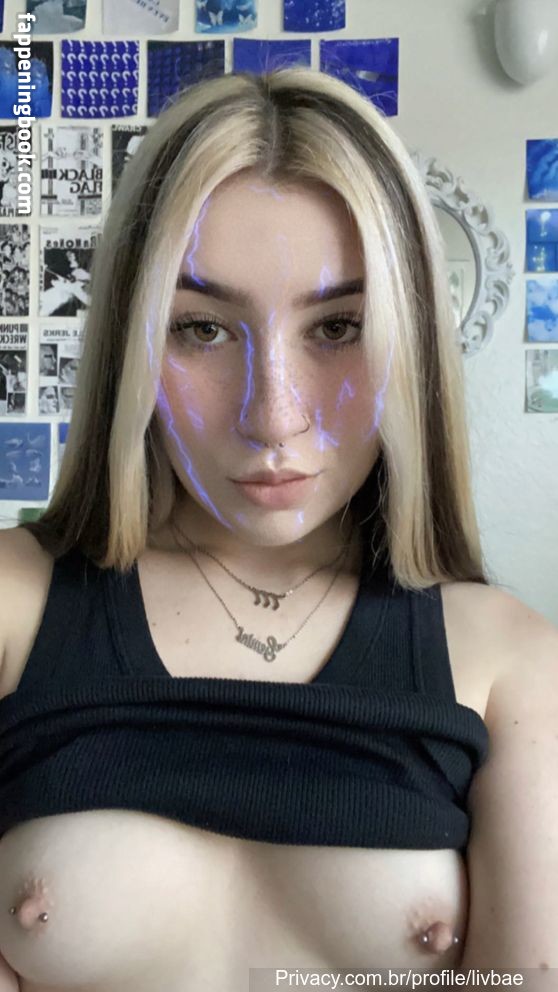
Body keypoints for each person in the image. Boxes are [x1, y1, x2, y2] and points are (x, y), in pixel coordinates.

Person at [0, 66, 556, 991]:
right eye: (202, 330)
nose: (274, 417)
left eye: (337, 327)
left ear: (410, 344)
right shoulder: (11, 607)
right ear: (131, 346)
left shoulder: (511, 661)